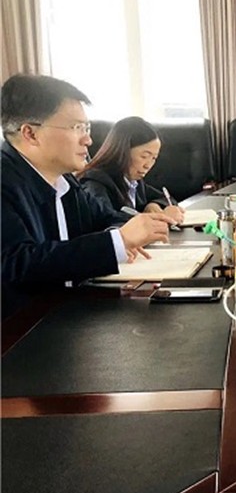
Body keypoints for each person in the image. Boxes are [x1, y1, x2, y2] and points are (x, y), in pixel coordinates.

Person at [1, 74, 171, 317]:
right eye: (76, 128)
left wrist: (125, 234)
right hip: (21, 329)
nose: (88, 139)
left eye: (87, 127)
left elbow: (108, 218)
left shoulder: (65, 181)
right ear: (30, 133)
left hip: (71, 314)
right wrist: (117, 242)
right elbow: (16, 265)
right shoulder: (5, 181)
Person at [78, 116, 184, 224]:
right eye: (144, 156)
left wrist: (153, 205)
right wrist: (154, 218)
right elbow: (107, 219)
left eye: (153, 158)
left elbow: (165, 198)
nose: (148, 165)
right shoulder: (95, 182)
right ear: (122, 151)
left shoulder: (133, 182)